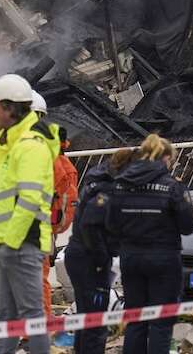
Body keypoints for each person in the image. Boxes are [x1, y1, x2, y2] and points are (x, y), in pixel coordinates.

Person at [107, 134, 193, 354]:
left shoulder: (120, 184)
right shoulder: (173, 187)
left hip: (131, 259)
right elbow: (188, 226)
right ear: (165, 158)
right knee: (160, 323)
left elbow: (110, 223)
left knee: (136, 320)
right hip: (164, 259)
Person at [0, 74, 54, 354]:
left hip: (21, 243)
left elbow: (29, 199)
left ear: (10, 109)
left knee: (31, 315)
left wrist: (11, 241)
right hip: (9, 243)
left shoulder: (29, 146)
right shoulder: (11, 143)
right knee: (7, 316)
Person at [65, 148, 130, 354]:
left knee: (87, 317)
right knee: (96, 319)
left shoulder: (97, 182)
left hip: (81, 256)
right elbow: (90, 225)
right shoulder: (106, 190)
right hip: (91, 261)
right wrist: (103, 258)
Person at [29, 91, 78, 317]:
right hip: (37, 228)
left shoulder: (47, 155)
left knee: (35, 281)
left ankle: (36, 331)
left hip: (32, 228)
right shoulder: (56, 158)